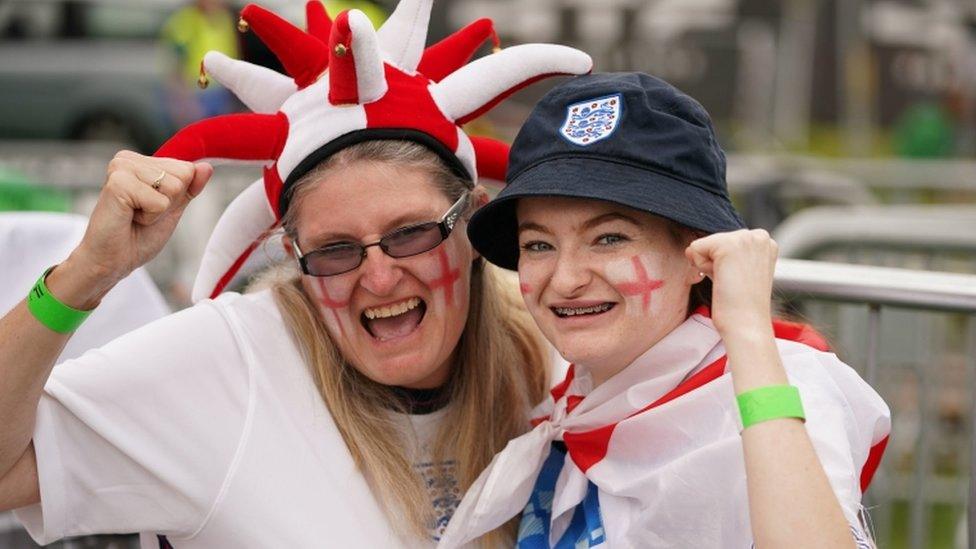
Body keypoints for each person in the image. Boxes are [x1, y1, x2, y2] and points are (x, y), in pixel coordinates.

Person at [0, 2, 592, 546]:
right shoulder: (233, 362)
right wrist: (85, 275)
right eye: (334, 250)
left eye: (411, 234)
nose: (380, 279)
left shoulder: (557, 357)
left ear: (473, 223)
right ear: (291, 253)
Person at [438, 72, 892, 548]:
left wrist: (749, 332)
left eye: (609, 238)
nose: (566, 279)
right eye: (538, 244)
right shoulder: (572, 396)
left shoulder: (784, 386)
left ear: (697, 250)